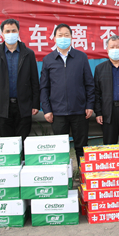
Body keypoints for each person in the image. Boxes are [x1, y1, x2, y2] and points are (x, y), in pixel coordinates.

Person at [39, 23, 95, 160]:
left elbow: (89, 84)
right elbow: (44, 87)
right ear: (54, 38)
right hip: (57, 113)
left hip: (79, 111)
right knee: (60, 148)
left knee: (81, 147)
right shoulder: (48, 60)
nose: (63, 38)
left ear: (71, 37)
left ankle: (82, 171)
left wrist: (89, 105)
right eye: (60, 35)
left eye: (66, 35)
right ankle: (63, 172)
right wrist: (46, 109)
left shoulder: (81, 57)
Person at [0, 18, 40, 144]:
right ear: (2, 34)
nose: (11, 34)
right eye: (7, 31)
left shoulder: (28, 54)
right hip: (3, 107)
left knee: (23, 142)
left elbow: (34, 81)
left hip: (23, 106)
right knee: (8, 144)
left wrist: (35, 104)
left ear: (18, 32)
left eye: (13, 31)